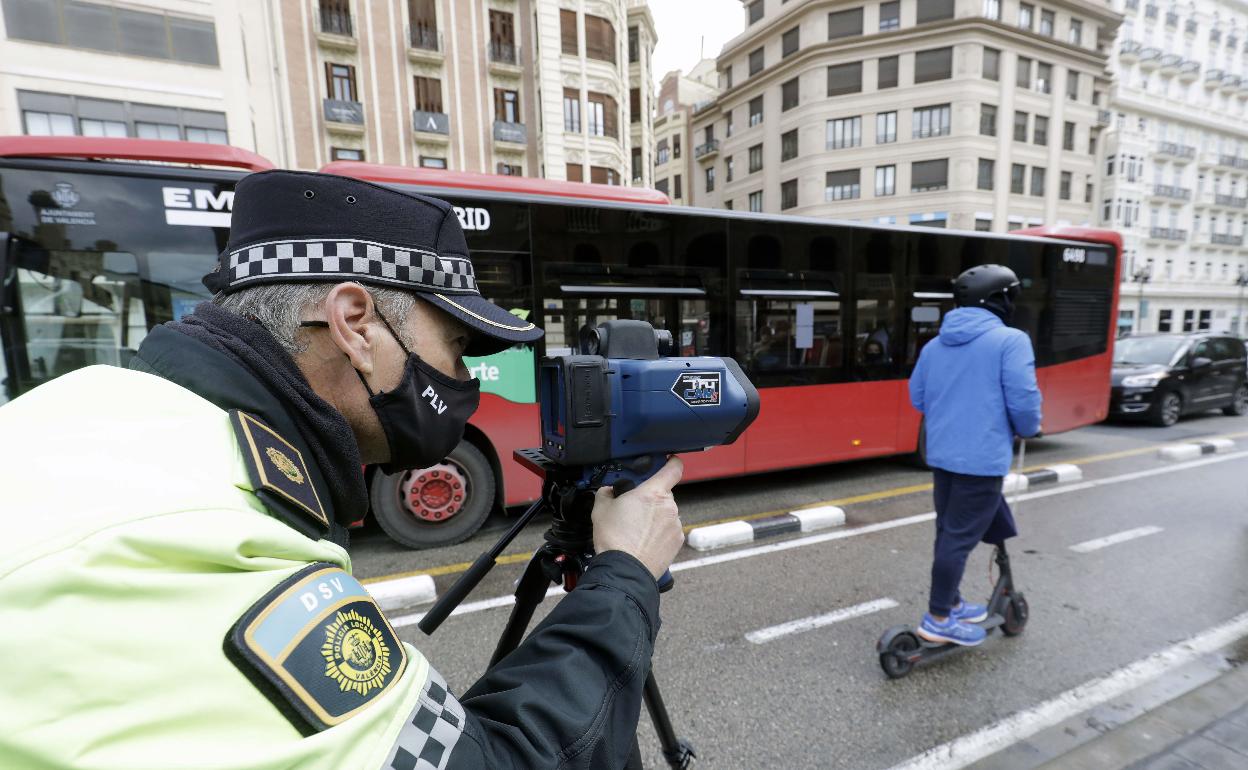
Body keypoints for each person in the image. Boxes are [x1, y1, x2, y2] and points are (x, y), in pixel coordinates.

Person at [0, 170, 686, 769]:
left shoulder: (82, 408)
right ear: (355, 324)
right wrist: (624, 572)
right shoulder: (213, 540)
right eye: (454, 346)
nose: (464, 379)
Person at [908, 264, 1042, 646]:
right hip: (982, 459)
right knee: (958, 540)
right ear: (1000, 300)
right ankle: (938, 619)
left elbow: (917, 397)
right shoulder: (1010, 341)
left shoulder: (935, 344)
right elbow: (1024, 399)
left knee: (947, 532)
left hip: (943, 456)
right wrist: (1029, 427)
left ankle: (949, 603)